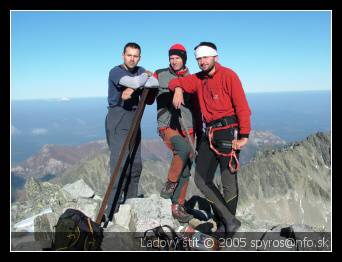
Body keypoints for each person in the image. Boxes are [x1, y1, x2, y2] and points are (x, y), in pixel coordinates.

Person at [169, 42, 251, 235]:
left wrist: (245, 135)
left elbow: (242, 106)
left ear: (215, 57)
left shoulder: (229, 75)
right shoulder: (197, 79)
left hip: (228, 132)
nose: (202, 62)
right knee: (201, 178)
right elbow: (174, 82)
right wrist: (179, 89)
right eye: (199, 58)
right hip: (210, 134)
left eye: (205, 57)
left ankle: (225, 225)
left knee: (227, 180)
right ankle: (230, 221)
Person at [149, 44, 203, 223]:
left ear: (184, 59)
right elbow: (149, 96)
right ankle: (171, 183)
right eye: (171, 58)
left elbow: (196, 107)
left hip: (188, 128)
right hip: (167, 124)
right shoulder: (160, 73)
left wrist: (199, 130)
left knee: (186, 169)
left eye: (177, 57)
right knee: (181, 149)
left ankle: (177, 206)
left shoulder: (192, 78)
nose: (174, 60)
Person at [104, 42, 155, 225]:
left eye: (135, 56)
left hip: (135, 118)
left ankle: (131, 205)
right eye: (129, 55)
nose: (132, 59)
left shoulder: (139, 69)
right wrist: (139, 82)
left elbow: (153, 83)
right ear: (122, 55)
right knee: (119, 164)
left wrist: (138, 83)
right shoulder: (115, 71)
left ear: (139, 57)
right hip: (118, 118)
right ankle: (110, 212)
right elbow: (136, 82)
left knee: (136, 164)